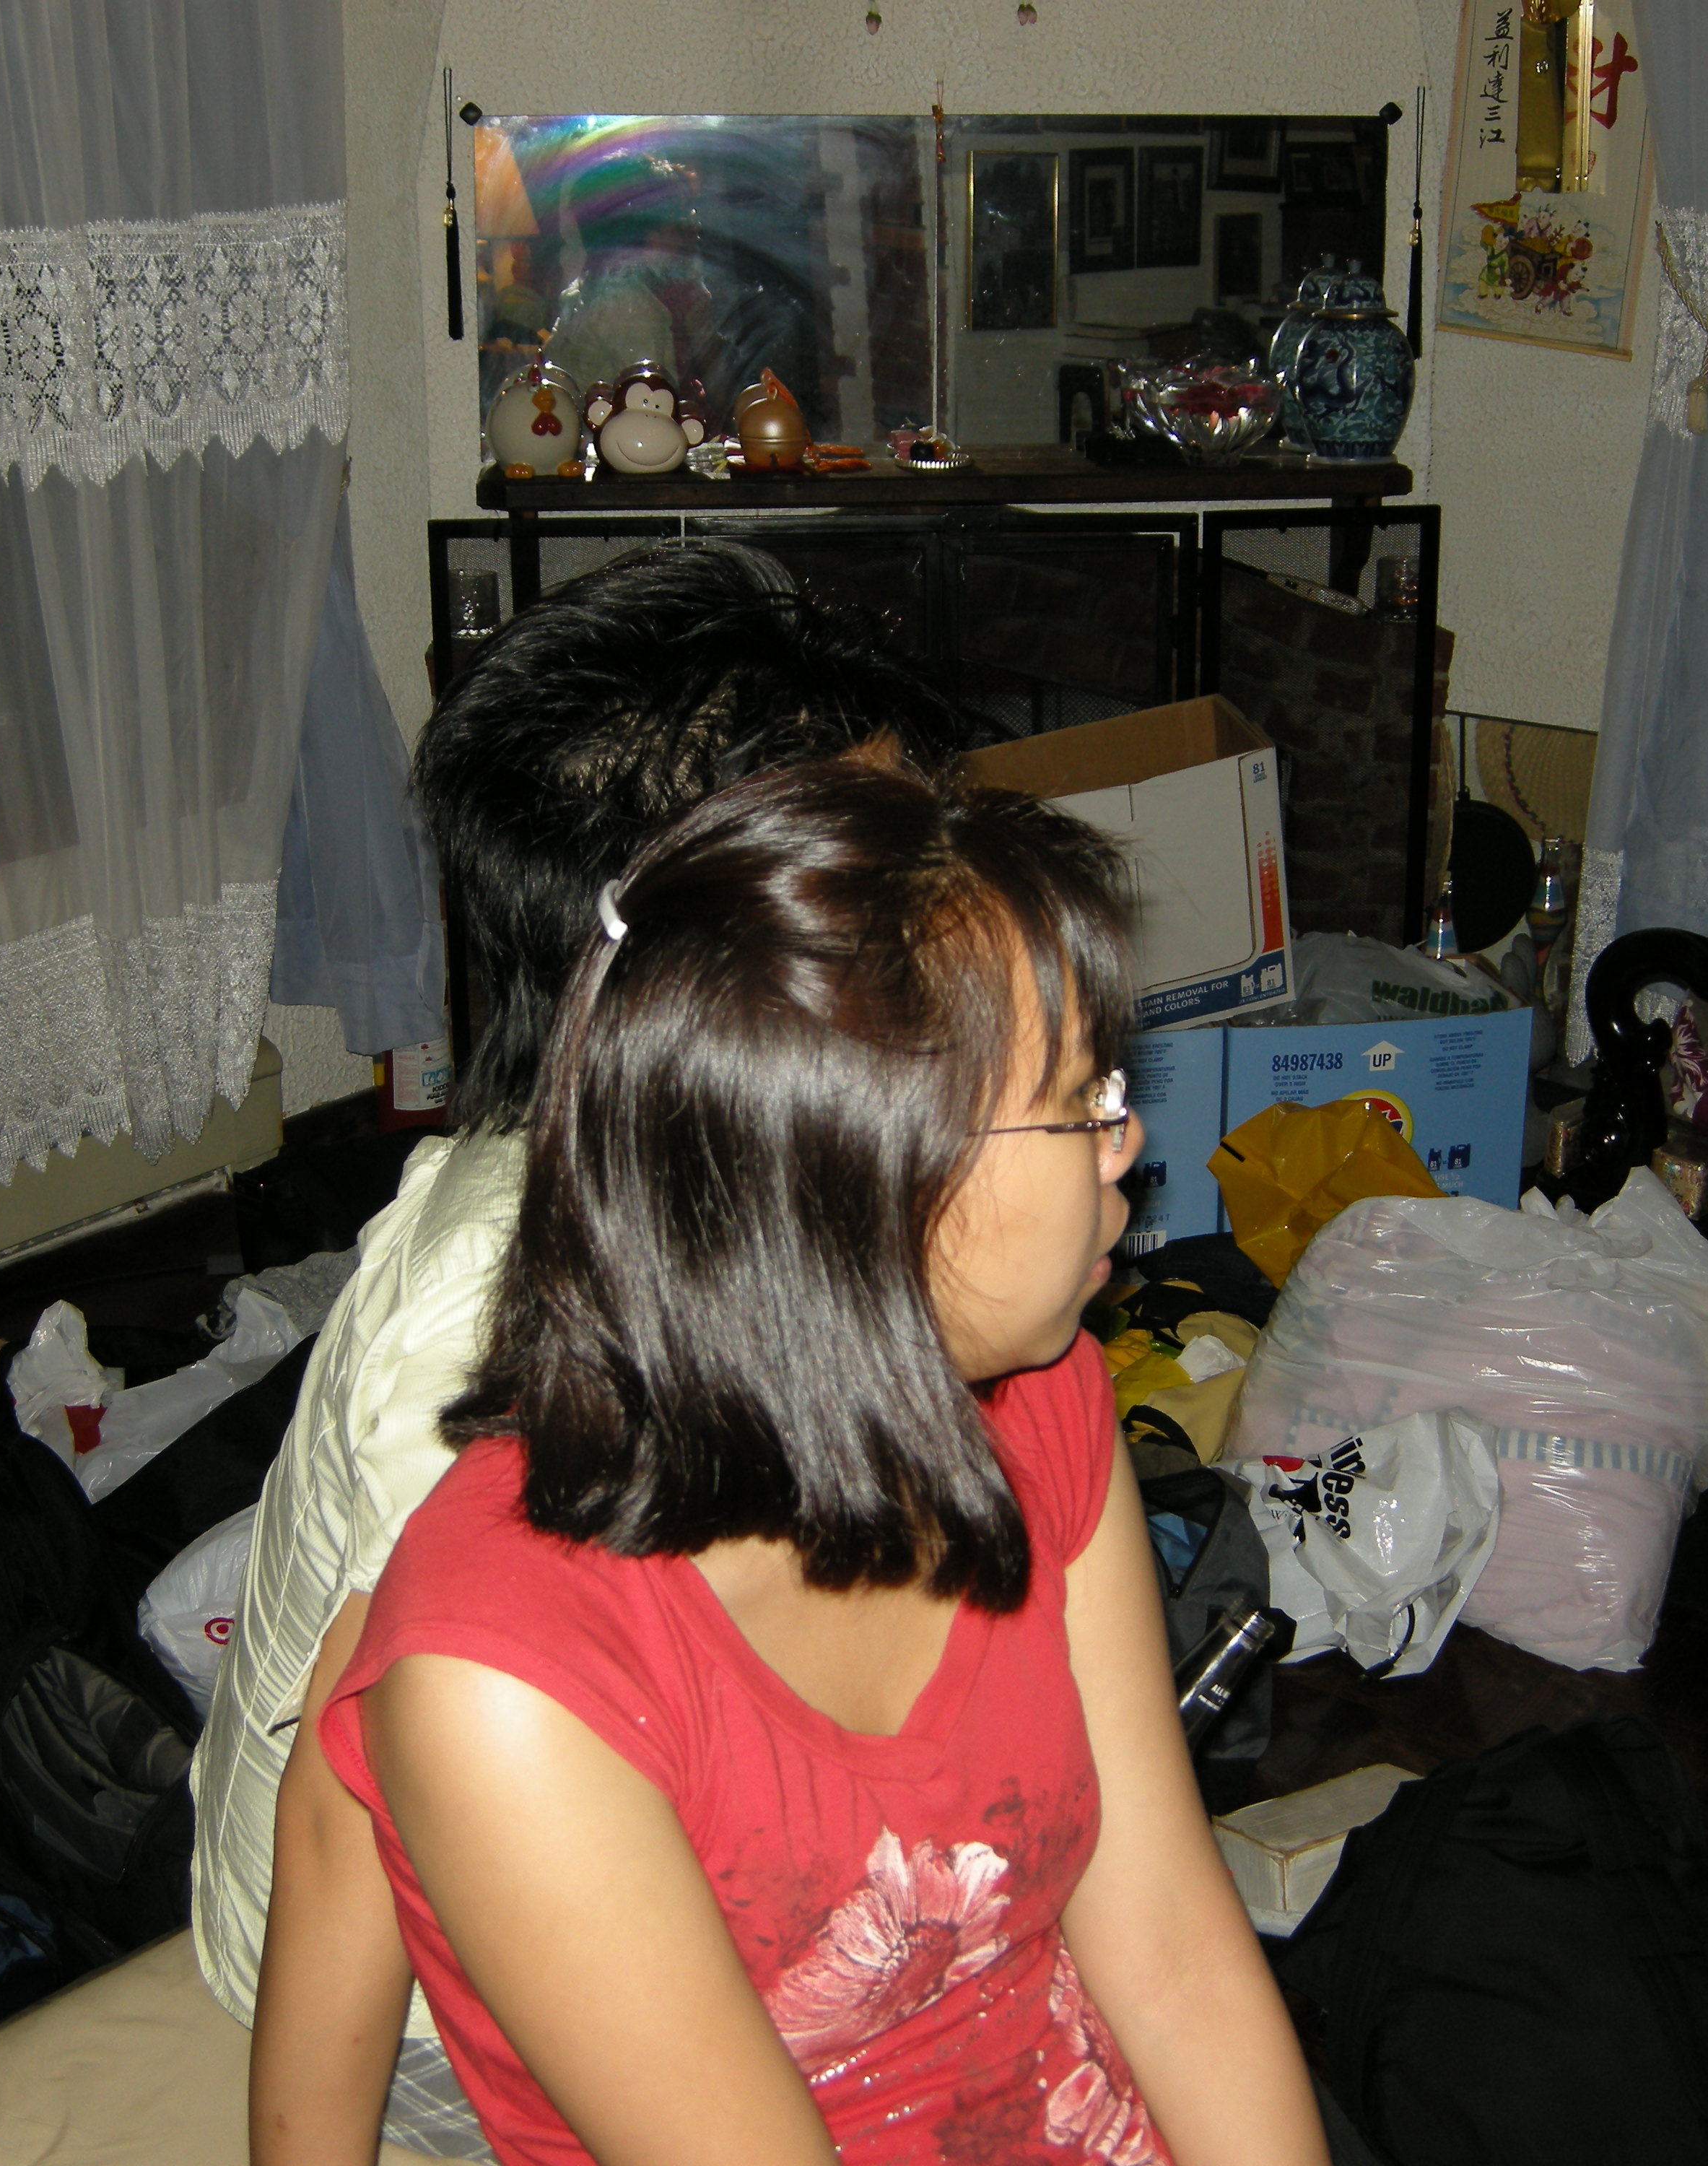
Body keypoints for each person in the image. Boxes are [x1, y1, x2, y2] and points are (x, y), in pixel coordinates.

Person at [252, 758, 1333, 2166]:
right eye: (1081, 1100)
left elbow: (1172, 1951)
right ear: (870, 1178)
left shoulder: (1038, 1403)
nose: (1125, 1143)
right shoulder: (513, 1688)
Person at [188, 542, 972, 2148]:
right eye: (889, 877)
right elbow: (361, 1818)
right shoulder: (501, 1316)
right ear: (710, 955)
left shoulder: (706, 1153)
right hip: (428, 1987)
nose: (955, 910)